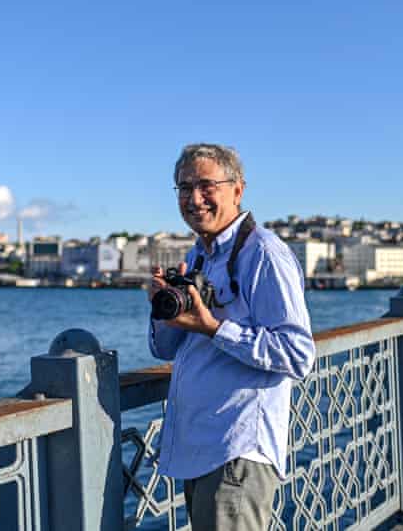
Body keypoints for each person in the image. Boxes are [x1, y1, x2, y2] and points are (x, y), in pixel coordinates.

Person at [147, 143, 316, 530]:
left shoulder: (264, 254)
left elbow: (298, 354)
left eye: (206, 185)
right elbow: (166, 347)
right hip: (201, 445)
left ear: (237, 190)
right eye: (184, 187)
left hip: (237, 448)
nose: (194, 198)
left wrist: (215, 328)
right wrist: (162, 308)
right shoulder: (198, 256)